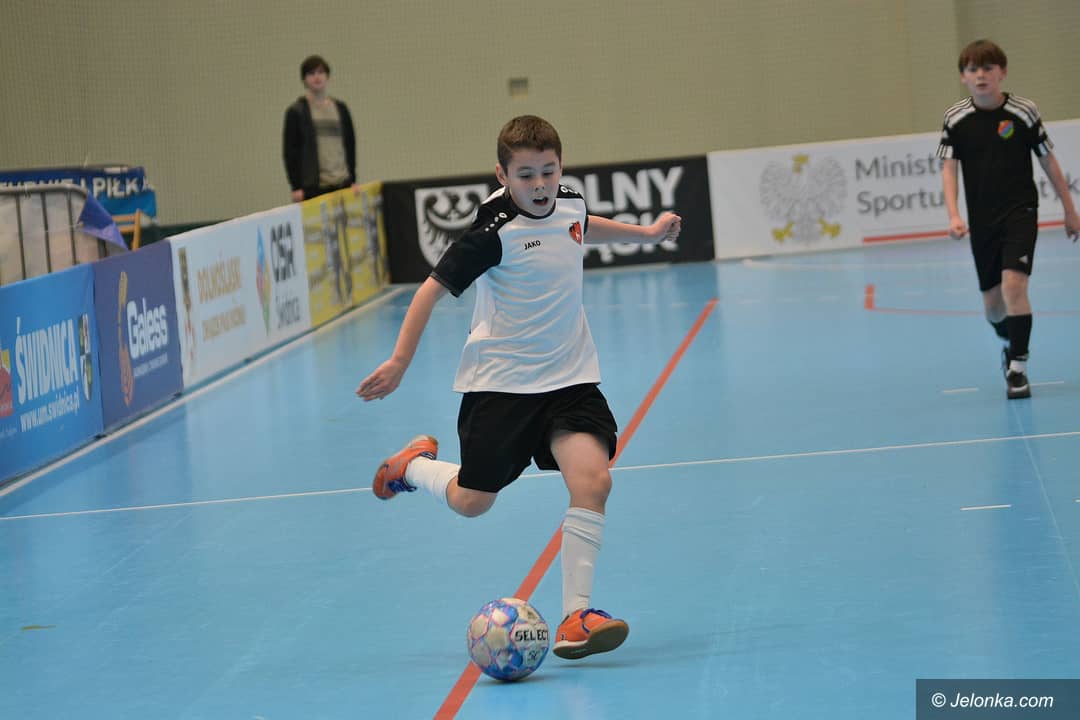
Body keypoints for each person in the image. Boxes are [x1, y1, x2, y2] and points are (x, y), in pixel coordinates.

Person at [356, 115, 681, 660]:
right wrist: (399, 362)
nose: (540, 184)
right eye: (525, 175)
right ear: (502, 176)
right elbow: (430, 292)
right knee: (472, 502)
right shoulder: (493, 233)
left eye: (548, 171)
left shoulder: (569, 201)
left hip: (570, 379)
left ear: (561, 167)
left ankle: (576, 617)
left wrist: (646, 234)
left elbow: (584, 225)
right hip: (502, 386)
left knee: (593, 481)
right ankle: (412, 466)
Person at [937, 39, 1080, 400]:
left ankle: (1018, 369)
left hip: (1020, 212)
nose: (980, 75)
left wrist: (1070, 209)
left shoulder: (1024, 112)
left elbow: (1048, 160)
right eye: (973, 69)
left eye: (988, 68)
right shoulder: (955, 119)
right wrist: (954, 215)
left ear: (1002, 72)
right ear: (963, 77)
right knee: (993, 306)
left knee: (1014, 287)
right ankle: (1009, 341)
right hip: (982, 220)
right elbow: (949, 168)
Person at [282, 55, 359, 203]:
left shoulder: (341, 109)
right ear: (304, 79)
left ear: (327, 76)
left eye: (320, 72)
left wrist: (353, 179)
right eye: (311, 73)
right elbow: (290, 152)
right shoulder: (296, 112)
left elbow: (350, 145)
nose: (317, 77)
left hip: (342, 183)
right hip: (313, 187)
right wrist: (296, 186)